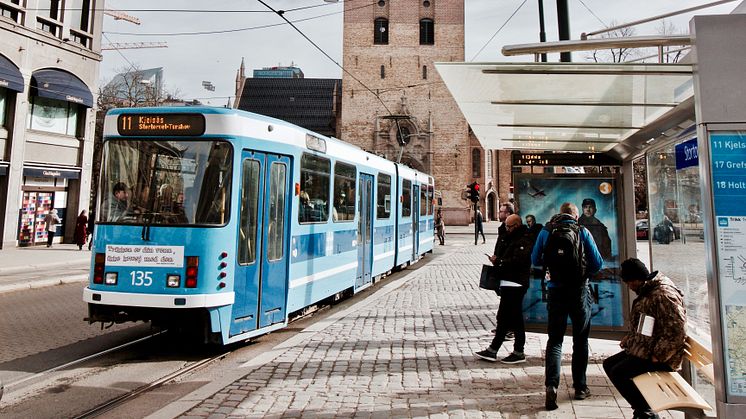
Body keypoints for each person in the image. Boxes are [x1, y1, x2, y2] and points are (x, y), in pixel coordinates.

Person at [531, 202, 603, 410]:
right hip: (579, 291)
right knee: (580, 339)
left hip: (555, 290)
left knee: (555, 340)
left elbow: (534, 259)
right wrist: (583, 273)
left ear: (559, 214)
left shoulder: (547, 231)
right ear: (576, 216)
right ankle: (580, 387)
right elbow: (597, 263)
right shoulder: (582, 231)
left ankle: (551, 385)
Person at [603, 258, 687, 419]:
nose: (629, 286)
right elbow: (647, 325)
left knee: (619, 372)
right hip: (648, 348)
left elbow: (677, 330)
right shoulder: (649, 291)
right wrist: (630, 339)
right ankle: (643, 410)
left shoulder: (663, 295)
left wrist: (659, 355)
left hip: (662, 356)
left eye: (629, 282)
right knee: (609, 364)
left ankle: (646, 412)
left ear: (637, 279)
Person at [476, 214, 533, 364]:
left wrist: (499, 261)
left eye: (509, 226)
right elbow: (501, 251)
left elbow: (516, 261)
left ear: (517, 225)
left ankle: (498, 350)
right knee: (512, 318)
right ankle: (511, 350)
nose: (507, 229)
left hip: (516, 282)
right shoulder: (507, 236)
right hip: (507, 281)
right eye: (506, 226)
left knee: (507, 318)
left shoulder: (524, 239)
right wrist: (497, 258)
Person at [491, 202, 516, 340]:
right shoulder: (503, 228)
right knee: (504, 301)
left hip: (508, 270)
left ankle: (508, 330)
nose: (499, 213)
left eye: (501, 211)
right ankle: (503, 327)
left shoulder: (510, 229)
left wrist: (500, 260)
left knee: (509, 303)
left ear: (508, 214)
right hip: (501, 266)